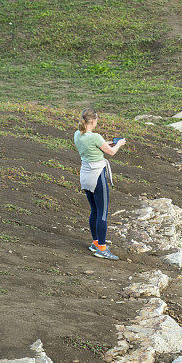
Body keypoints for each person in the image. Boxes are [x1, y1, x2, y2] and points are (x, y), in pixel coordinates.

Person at [73, 108, 125, 260]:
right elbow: (111, 152)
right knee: (102, 212)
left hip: (85, 175)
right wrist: (119, 144)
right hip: (97, 175)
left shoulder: (78, 134)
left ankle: (95, 242)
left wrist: (105, 143)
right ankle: (102, 248)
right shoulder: (95, 137)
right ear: (93, 120)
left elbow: (93, 145)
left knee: (94, 210)